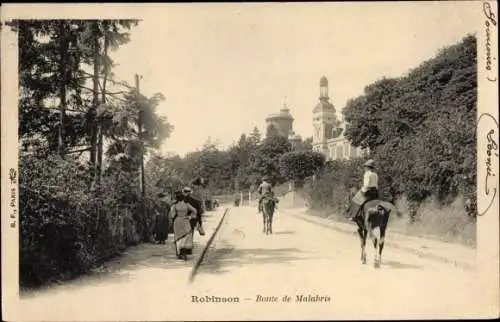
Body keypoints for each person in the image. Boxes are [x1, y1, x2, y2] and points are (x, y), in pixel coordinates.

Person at [169, 190, 197, 260]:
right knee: (186, 237)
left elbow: (172, 215)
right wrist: (190, 217)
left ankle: (179, 254)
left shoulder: (174, 205)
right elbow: (195, 210)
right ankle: (184, 253)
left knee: (178, 238)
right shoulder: (186, 204)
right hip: (186, 221)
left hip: (177, 222)